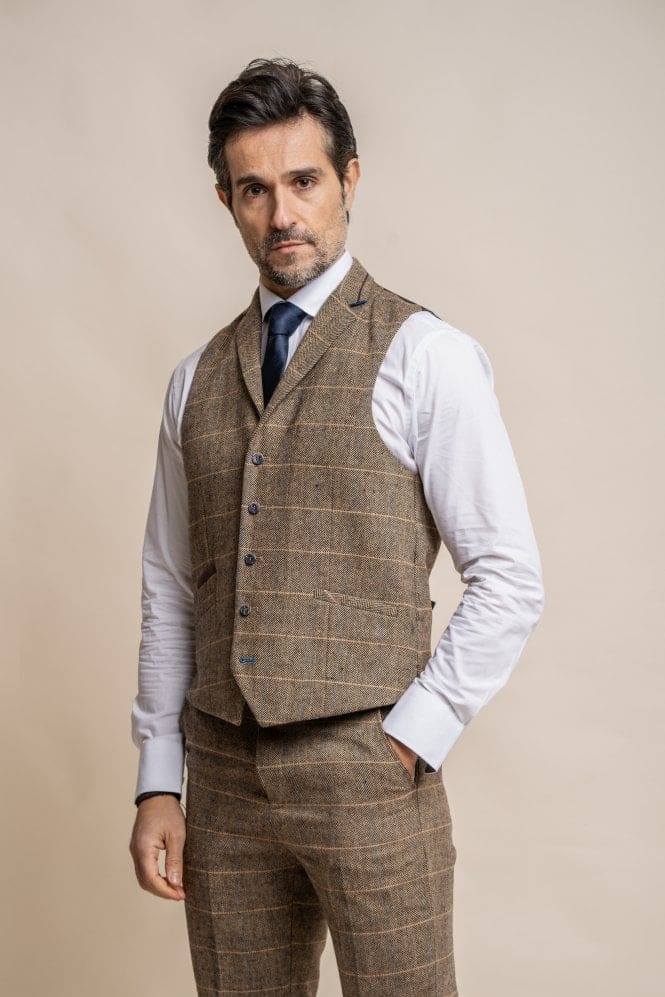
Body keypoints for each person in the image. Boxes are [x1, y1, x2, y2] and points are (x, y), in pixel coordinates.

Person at [128, 57, 545, 996]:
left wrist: (410, 736)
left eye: (303, 181)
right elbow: (170, 589)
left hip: (369, 769)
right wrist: (159, 778)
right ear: (226, 201)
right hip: (222, 782)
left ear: (348, 179)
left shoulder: (425, 354)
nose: (282, 214)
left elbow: (509, 576)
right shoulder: (194, 380)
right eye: (254, 190)